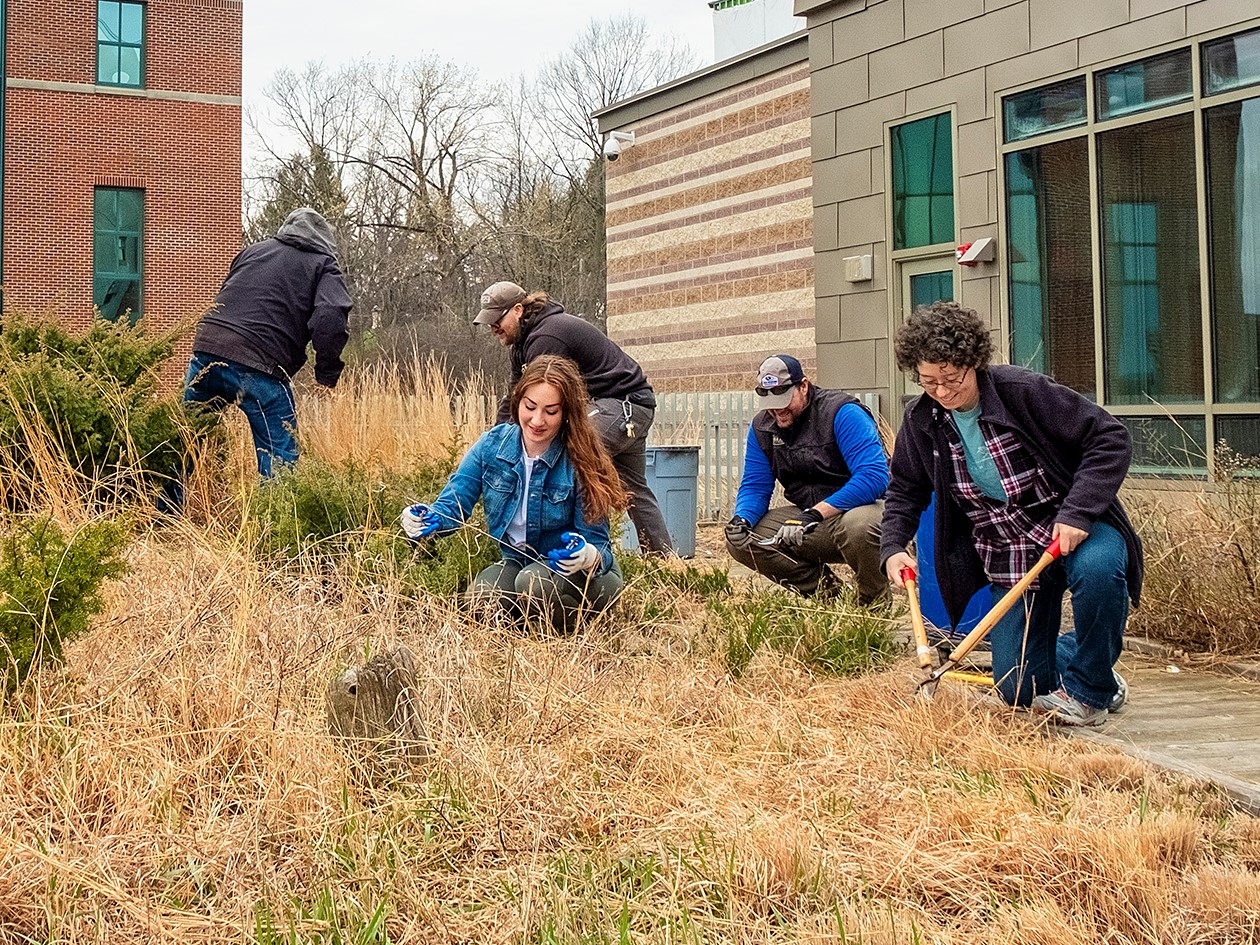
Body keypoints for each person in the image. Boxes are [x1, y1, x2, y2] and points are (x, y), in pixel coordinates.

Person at [881, 301, 1143, 727]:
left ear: (974, 362)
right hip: (1010, 547)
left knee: (1099, 572)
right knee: (1018, 688)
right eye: (929, 382)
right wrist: (893, 547)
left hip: (1074, 527)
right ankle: (1096, 660)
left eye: (952, 379)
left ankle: (1092, 690)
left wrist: (1078, 513)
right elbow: (906, 488)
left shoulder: (1023, 391)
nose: (943, 392)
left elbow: (1110, 439)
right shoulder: (922, 419)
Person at [399, 355, 627, 633]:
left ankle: (571, 635)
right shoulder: (491, 447)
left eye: (551, 411)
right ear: (518, 400)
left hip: (585, 575)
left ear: (566, 413)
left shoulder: (581, 458)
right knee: (482, 599)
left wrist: (587, 556)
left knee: (533, 584)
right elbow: (454, 504)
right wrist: (424, 519)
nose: (537, 420)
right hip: (518, 562)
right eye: (530, 407)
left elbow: (599, 546)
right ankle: (527, 630)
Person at [473, 280, 673, 556]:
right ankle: (664, 561)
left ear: (518, 310)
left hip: (622, 405)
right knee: (633, 489)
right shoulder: (523, 344)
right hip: (624, 406)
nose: (493, 326)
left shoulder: (546, 339)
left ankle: (583, 551)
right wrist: (496, 442)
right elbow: (516, 399)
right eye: (489, 321)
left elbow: (551, 400)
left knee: (571, 453)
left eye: (497, 319)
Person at [182, 207, 352, 477]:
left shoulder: (253, 251)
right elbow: (330, 317)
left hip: (207, 350)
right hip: (260, 363)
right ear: (326, 241)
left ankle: (160, 514)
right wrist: (326, 374)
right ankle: (274, 518)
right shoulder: (323, 264)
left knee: (182, 441)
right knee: (279, 456)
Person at [724, 354, 890, 605]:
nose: (777, 409)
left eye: (784, 399)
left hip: (859, 511)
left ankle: (872, 606)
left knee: (861, 525)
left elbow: (874, 477)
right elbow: (756, 486)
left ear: (803, 386)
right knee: (744, 538)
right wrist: (742, 518)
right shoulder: (762, 427)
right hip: (808, 519)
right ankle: (831, 596)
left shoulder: (842, 413)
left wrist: (814, 513)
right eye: (769, 401)